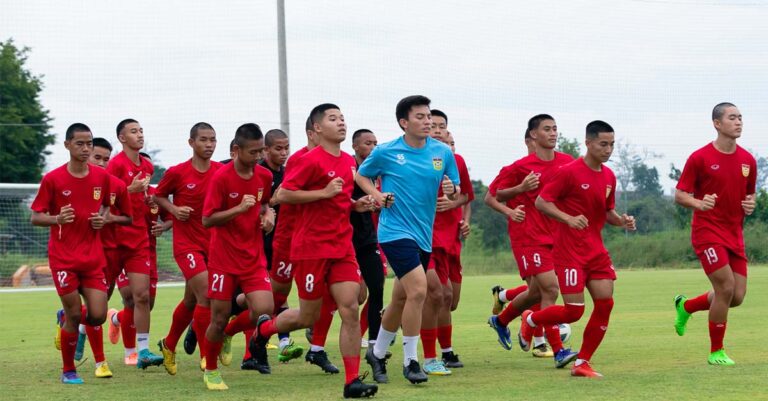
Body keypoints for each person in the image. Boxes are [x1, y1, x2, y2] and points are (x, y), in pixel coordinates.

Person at [250, 104, 378, 398]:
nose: (341, 123)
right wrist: (323, 192)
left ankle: (352, 381)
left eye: (343, 118)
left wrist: (355, 205)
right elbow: (280, 196)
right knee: (308, 316)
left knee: (350, 307)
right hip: (310, 249)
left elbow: (339, 200)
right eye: (333, 119)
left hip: (341, 247)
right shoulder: (309, 161)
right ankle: (264, 331)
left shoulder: (348, 161)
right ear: (317, 128)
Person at [357, 95, 460, 385]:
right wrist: (377, 196)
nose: (427, 121)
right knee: (418, 290)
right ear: (404, 122)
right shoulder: (386, 151)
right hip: (393, 232)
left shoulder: (442, 152)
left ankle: (377, 352)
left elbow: (455, 187)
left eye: (429, 116)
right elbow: (361, 176)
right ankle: (411, 361)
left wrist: (452, 189)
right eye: (420, 117)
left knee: (401, 298)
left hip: (423, 235)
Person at [522, 120, 636, 378]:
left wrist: (622, 221)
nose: (608, 150)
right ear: (588, 143)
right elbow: (541, 202)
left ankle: (582, 362)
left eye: (612, 145)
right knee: (574, 312)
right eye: (603, 144)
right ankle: (531, 319)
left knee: (605, 304)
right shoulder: (569, 172)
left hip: (596, 251)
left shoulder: (608, 176)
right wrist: (568, 218)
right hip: (569, 252)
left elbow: (607, 212)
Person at [487, 114, 578, 368]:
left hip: (558, 236)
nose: (553, 133)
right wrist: (517, 194)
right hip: (530, 236)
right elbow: (492, 196)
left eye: (555, 129)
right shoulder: (519, 167)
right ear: (533, 135)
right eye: (547, 129)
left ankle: (502, 320)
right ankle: (558, 350)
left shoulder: (567, 162)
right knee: (550, 289)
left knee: (536, 293)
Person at [673, 102, 756, 366]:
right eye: (732, 117)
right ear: (717, 124)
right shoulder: (700, 158)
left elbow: (750, 194)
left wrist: (750, 204)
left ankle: (686, 306)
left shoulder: (748, 160)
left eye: (740, 117)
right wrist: (699, 203)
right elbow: (680, 194)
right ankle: (716, 351)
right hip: (707, 232)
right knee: (725, 287)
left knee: (737, 297)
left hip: (734, 234)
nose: (739, 122)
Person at [31, 123, 111, 384]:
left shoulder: (101, 177)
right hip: (63, 258)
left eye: (89, 143)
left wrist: (102, 219)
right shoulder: (53, 179)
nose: (86, 148)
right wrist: (56, 219)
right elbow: (36, 217)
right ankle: (68, 370)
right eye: (80, 143)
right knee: (77, 314)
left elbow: (109, 207)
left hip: (92, 258)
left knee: (98, 315)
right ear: (67, 145)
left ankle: (65, 318)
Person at [200, 123, 275, 390]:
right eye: (253, 152)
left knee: (264, 310)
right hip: (223, 259)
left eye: (261, 152)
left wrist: (268, 216)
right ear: (236, 150)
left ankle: (230, 334)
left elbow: (265, 204)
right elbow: (207, 219)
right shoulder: (221, 178)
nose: (258, 157)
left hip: (253, 257)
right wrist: (238, 208)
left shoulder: (264, 176)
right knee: (218, 318)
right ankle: (210, 370)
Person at [155, 122, 222, 375]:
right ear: (191, 142)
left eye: (213, 140)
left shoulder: (221, 171)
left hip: (213, 244)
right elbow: (158, 196)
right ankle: (206, 357)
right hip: (187, 245)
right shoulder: (178, 172)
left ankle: (169, 344)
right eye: (204, 140)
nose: (209, 145)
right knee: (207, 295)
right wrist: (173, 210)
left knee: (191, 299)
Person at [105, 119, 164, 369]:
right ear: (121, 138)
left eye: (141, 130)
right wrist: (129, 189)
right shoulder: (115, 165)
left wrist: (149, 202)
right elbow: (106, 203)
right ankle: (82, 327)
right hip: (115, 239)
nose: (140, 135)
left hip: (139, 239)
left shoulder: (148, 165)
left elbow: (143, 198)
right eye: (133, 131)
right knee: (100, 300)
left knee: (142, 297)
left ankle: (143, 352)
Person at [421, 111, 472, 375]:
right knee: (437, 294)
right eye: (433, 126)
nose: (438, 130)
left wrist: (455, 206)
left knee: (449, 299)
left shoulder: (454, 161)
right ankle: (434, 356)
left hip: (449, 240)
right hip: (420, 238)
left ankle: (391, 323)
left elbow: (466, 196)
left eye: (443, 127)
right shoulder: (411, 159)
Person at [258, 128, 304, 362]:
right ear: (265, 150)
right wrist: (269, 203)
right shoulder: (258, 173)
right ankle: (243, 335)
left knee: (277, 296)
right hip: (258, 243)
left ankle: (283, 341)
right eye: (278, 148)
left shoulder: (289, 174)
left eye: (286, 148)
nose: (284, 152)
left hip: (282, 243)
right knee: (263, 298)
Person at [350, 129, 386, 353]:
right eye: (367, 143)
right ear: (355, 146)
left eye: (375, 142)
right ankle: (317, 341)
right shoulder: (349, 169)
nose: (373, 147)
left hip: (370, 239)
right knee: (353, 295)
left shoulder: (377, 173)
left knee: (377, 288)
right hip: (345, 239)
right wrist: (356, 203)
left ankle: (375, 343)